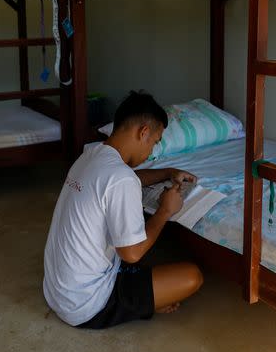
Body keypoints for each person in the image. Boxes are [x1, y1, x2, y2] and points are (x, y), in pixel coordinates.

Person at [43, 91, 203, 329]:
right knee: (191, 277)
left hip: (57, 291)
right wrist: (165, 211)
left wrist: (167, 172)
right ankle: (138, 304)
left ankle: (145, 299)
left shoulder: (91, 155)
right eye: (155, 142)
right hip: (87, 305)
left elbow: (128, 179)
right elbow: (131, 254)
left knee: (148, 268)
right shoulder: (121, 178)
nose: (151, 152)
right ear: (143, 132)